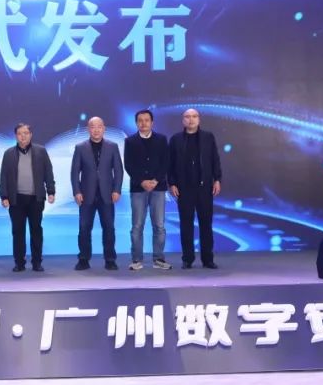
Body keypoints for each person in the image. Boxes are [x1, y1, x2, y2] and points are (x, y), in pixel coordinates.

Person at [168, 108, 222, 269]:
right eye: (187, 117)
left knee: (206, 224)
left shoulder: (208, 137)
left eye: (194, 116)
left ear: (199, 119)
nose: (191, 119)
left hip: (204, 188)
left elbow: (215, 159)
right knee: (186, 225)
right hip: (184, 188)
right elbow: (170, 163)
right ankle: (187, 258)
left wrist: (217, 179)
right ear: (182, 120)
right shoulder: (176, 139)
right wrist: (172, 183)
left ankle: (207, 259)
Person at [0, 123, 55, 272]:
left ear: (31, 135)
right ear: (16, 136)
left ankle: (37, 262)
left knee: (36, 230)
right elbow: (3, 176)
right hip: (16, 199)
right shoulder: (8, 153)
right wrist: (4, 196)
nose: (23, 136)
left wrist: (51, 191)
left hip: (36, 198)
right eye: (19, 133)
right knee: (18, 231)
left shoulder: (41, 151)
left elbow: (48, 172)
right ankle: (19, 263)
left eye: (25, 133)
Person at [70, 117, 123, 271]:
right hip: (86, 195)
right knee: (84, 228)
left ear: (104, 128)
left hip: (107, 194)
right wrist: (77, 191)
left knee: (109, 228)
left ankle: (110, 259)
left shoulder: (112, 146)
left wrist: (117, 189)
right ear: (88, 129)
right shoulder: (80, 147)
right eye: (93, 127)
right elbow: (75, 172)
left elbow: (118, 170)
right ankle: (83, 259)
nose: (96, 129)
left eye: (99, 126)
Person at [123, 109, 171, 270]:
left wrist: (156, 180)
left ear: (152, 122)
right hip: (138, 188)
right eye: (140, 120)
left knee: (159, 225)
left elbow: (166, 162)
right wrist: (142, 181)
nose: (143, 123)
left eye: (146, 120)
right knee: (137, 225)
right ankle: (137, 260)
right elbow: (128, 165)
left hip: (159, 187)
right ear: (136, 123)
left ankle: (159, 259)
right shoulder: (130, 141)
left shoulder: (161, 139)